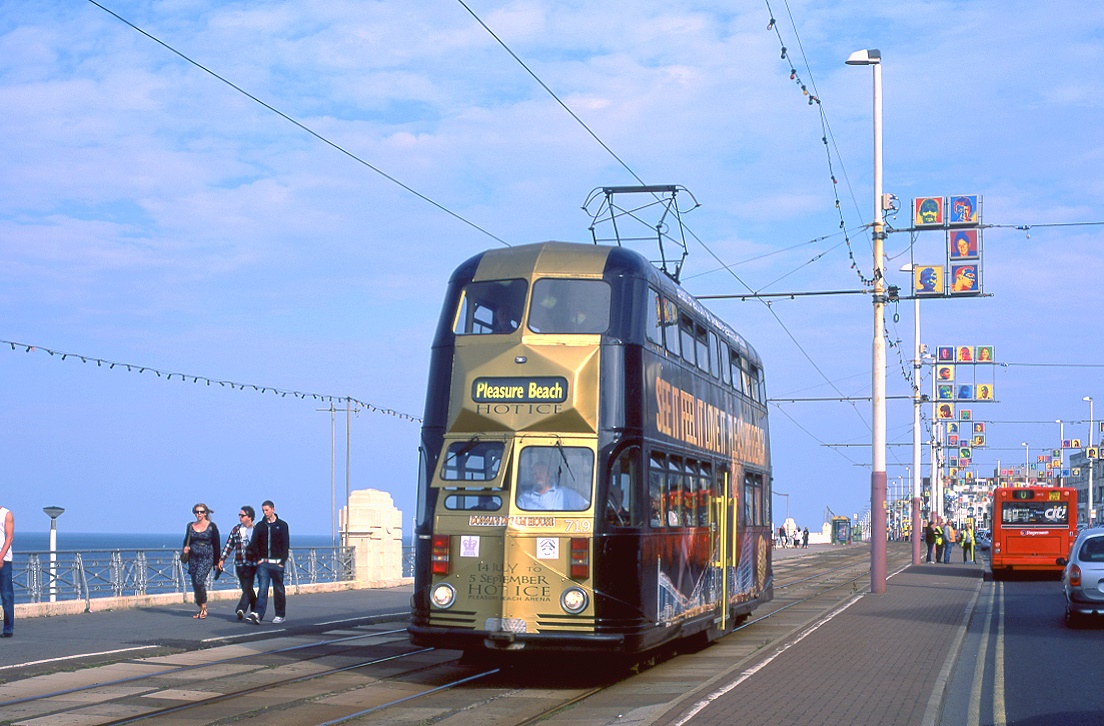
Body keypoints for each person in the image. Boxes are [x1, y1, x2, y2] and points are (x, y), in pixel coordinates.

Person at [247, 500, 289, 625]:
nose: (265, 513)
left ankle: (280, 615)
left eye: (267, 510)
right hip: (263, 563)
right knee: (262, 588)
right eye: (263, 510)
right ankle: (258, 614)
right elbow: (254, 543)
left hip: (277, 563)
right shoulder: (260, 526)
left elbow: (285, 544)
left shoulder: (282, 525)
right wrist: (258, 559)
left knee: (279, 589)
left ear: (273, 509)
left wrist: (282, 561)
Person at [219, 505, 258, 621]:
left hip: (252, 564)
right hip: (240, 563)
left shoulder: (256, 530)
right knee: (247, 588)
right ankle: (255, 610)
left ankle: (241, 609)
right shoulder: (236, 530)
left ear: (249, 517)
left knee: (247, 586)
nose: (240, 517)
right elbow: (229, 545)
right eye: (239, 515)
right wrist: (222, 559)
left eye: (242, 515)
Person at [182, 503, 220, 619]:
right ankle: (201, 607)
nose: (199, 514)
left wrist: (216, 562)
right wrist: (185, 549)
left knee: (199, 579)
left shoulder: (211, 526)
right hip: (193, 557)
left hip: (206, 556)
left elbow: (216, 544)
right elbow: (186, 540)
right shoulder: (190, 526)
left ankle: (203, 606)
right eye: (197, 512)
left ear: (205, 513)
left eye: (201, 512)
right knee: (195, 582)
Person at [516, 461, 587, 511]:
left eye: (541, 472)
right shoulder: (524, 497)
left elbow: (586, 506)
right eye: (535, 473)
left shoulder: (564, 494)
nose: (538, 476)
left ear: (549, 474)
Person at [0, 504, 13, 637]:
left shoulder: (6, 514)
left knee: (6, 595)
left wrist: (1, 556)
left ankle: (8, 629)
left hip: (4, 561)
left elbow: (9, 537)